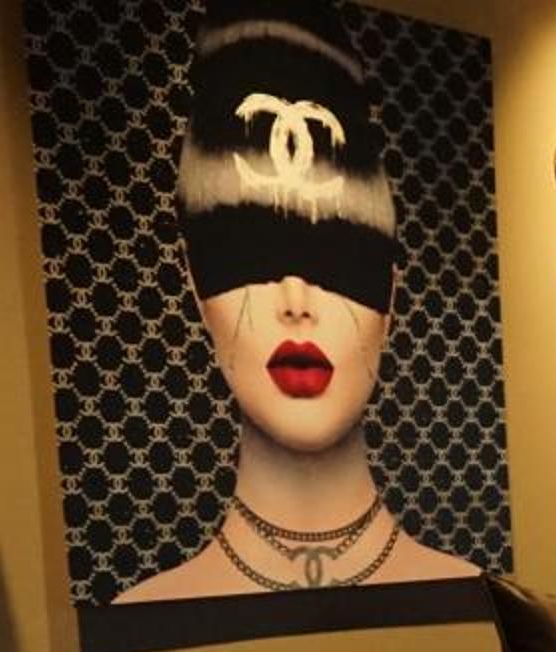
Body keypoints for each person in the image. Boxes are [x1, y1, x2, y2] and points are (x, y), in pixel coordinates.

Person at [115, 0, 478, 603]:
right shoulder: (142, 611)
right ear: (195, 285)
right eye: (246, 254)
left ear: (390, 294)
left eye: (341, 257)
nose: (295, 300)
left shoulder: (475, 597)